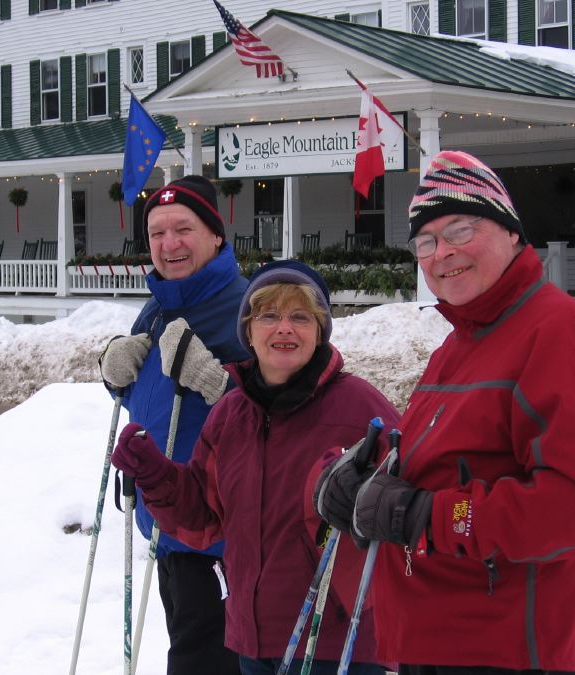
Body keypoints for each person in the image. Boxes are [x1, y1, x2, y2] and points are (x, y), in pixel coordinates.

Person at [314, 150, 575, 675]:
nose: (443, 253)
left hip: (505, 647)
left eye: (460, 230)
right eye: (427, 242)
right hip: (434, 637)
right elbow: (451, 461)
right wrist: (372, 476)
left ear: (509, 231)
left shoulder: (557, 331)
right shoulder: (456, 346)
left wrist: (425, 516)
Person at [111, 260, 400, 675]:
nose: (284, 328)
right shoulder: (232, 413)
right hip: (253, 642)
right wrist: (155, 474)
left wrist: (370, 499)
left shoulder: (358, 406)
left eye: (300, 317)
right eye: (268, 316)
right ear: (247, 329)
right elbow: (205, 516)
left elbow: (407, 505)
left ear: (319, 332)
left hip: (335, 644)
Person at [99, 175, 247, 675]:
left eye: (183, 228)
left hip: (226, 537)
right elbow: (154, 401)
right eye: (157, 233)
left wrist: (220, 384)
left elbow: (287, 411)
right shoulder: (157, 309)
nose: (169, 244)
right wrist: (115, 374)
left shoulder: (248, 309)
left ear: (216, 235)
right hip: (169, 530)